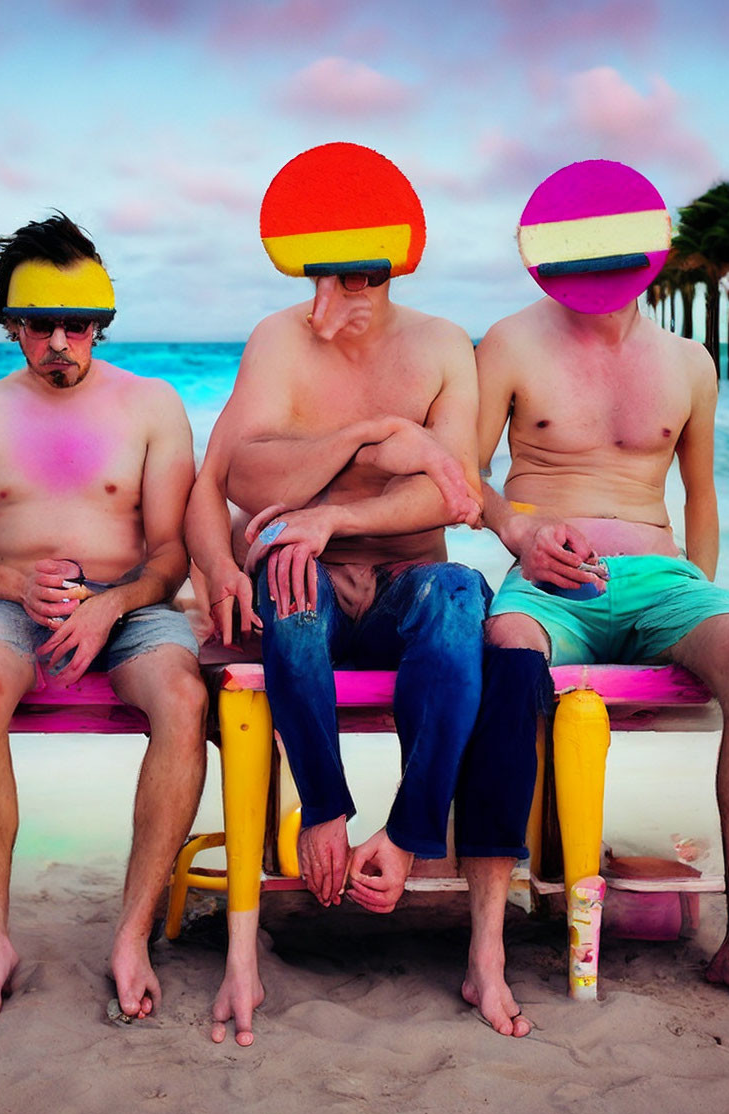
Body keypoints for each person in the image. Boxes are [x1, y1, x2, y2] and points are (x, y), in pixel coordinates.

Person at [187, 143, 538, 1045]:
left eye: (343, 285)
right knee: (288, 572)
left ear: (382, 278)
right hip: (306, 595)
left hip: (406, 584)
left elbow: (450, 494)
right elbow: (243, 472)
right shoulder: (277, 340)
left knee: (461, 593)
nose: (320, 306)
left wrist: (330, 517)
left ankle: (412, 831)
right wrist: (376, 436)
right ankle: (328, 810)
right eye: (313, 281)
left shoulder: (442, 349)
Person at [475, 160, 729, 1017]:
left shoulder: (690, 361)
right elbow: (463, 480)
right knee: (504, 656)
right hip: (548, 581)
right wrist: (521, 534)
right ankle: (492, 933)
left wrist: (700, 599)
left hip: (661, 580)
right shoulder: (510, 342)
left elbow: (702, 495)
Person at [0, 213, 206, 1032]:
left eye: (77, 326)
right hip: (13, 605)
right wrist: (12, 584)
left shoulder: (152, 407)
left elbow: (171, 555)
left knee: (184, 701)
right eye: (40, 325)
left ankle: (130, 938)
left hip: (131, 607)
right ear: (12, 325)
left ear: (100, 326)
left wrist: (112, 604)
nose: (59, 343)